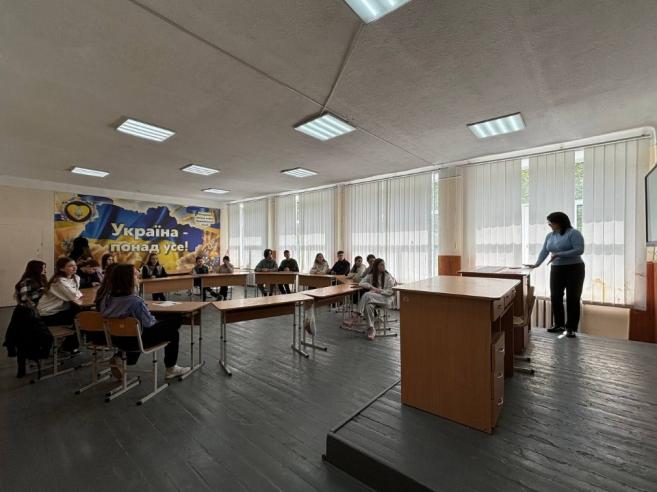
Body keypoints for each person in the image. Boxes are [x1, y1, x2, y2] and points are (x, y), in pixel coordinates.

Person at [100, 264, 189, 379]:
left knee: (160, 323)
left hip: (115, 339)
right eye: (135, 275)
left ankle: (120, 356)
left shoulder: (106, 299)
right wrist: (157, 319)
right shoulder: (135, 301)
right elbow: (150, 323)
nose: (138, 276)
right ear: (128, 279)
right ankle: (171, 368)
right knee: (173, 327)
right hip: (137, 341)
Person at [525, 211, 585, 338]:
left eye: (551, 222)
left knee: (573, 298)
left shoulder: (573, 233)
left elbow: (579, 250)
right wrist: (536, 264)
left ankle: (571, 328)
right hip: (557, 269)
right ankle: (559, 325)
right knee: (555, 297)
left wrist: (559, 254)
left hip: (574, 268)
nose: (549, 225)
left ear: (560, 222)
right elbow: (545, 251)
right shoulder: (550, 236)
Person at [3, 261, 50, 376]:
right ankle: (23, 367)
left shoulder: (39, 280)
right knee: (23, 340)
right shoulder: (26, 281)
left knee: (24, 340)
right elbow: (24, 298)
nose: (45, 271)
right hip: (25, 314)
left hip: (29, 312)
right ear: (36, 269)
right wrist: (41, 292)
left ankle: (24, 366)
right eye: (43, 268)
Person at [37, 256, 83, 351]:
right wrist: (78, 293)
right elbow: (73, 296)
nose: (74, 267)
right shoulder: (59, 281)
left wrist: (77, 293)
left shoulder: (76, 278)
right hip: (47, 314)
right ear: (62, 269)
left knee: (80, 314)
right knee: (81, 318)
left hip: (59, 310)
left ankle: (70, 343)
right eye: (70, 266)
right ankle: (69, 345)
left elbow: (75, 293)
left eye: (75, 265)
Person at [357, 258, 395, 341]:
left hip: (386, 298)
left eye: (384, 264)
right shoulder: (371, 275)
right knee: (368, 306)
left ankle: (358, 314)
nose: (383, 266)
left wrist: (379, 291)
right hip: (374, 299)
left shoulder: (388, 276)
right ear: (376, 266)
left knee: (367, 294)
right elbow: (361, 283)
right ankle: (371, 328)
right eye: (381, 265)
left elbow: (391, 291)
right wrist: (372, 287)